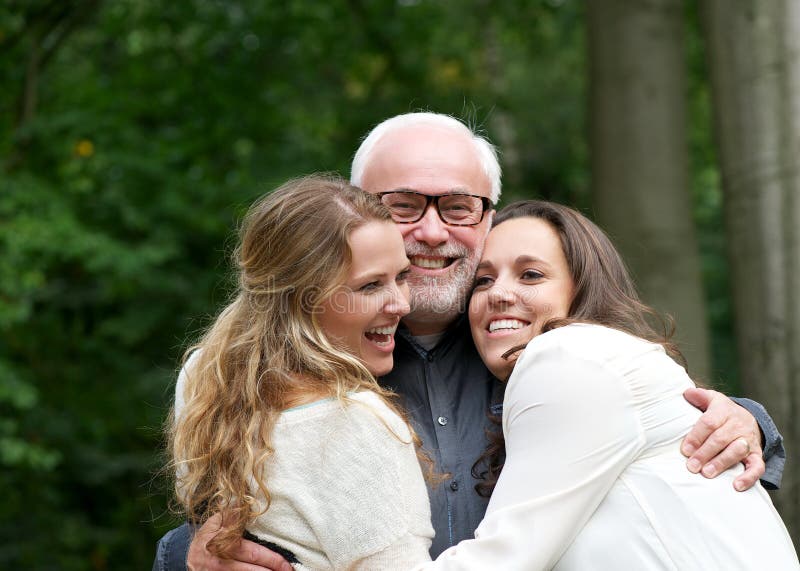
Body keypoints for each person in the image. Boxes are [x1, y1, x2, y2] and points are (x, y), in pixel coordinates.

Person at [154, 112, 785, 571]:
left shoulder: (528, 342)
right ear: (357, 215)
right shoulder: (264, 371)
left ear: (489, 218)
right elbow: (233, 506)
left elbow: (639, 425)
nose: (431, 231)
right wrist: (186, 554)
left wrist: (746, 421)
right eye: (401, 205)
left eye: (458, 206)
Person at [409, 200, 799, 569]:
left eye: (531, 274)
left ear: (582, 288)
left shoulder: (566, 354)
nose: (499, 293)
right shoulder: (598, 360)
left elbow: (505, 558)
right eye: (483, 280)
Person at [166, 175, 436, 569]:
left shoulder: (205, 372)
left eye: (402, 276)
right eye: (370, 286)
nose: (400, 304)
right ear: (301, 299)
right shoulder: (354, 421)